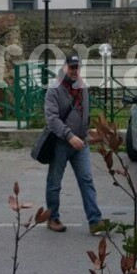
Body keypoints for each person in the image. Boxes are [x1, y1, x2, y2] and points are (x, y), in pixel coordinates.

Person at [43, 55, 108, 235]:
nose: (74, 71)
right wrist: (69, 135)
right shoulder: (54, 89)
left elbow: (83, 115)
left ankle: (95, 221)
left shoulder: (83, 87)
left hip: (81, 143)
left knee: (87, 180)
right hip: (60, 144)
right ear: (64, 68)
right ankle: (53, 218)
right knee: (55, 182)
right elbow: (52, 119)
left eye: (77, 67)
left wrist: (88, 133)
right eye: (71, 67)